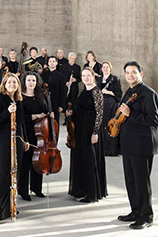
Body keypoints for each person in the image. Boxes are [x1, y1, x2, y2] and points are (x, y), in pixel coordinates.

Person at [117, 61, 158, 229]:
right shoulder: (129, 91)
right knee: (131, 180)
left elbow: (153, 120)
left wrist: (130, 114)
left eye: (134, 72)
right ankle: (135, 211)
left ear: (141, 73)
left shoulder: (149, 94)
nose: (130, 75)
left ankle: (146, 216)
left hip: (142, 144)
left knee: (142, 182)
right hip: (128, 143)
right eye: (127, 72)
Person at [0, 73, 29, 224]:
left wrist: (25, 139)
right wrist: (8, 111)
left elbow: (22, 123)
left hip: (18, 139)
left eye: (15, 82)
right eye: (10, 82)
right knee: (3, 175)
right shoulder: (0, 99)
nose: (12, 85)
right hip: (5, 140)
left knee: (15, 174)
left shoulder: (19, 100)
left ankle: (10, 207)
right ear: (5, 84)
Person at [66, 67, 107, 203]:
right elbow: (81, 108)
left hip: (90, 130)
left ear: (93, 76)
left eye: (88, 75)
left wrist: (95, 132)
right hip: (80, 129)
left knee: (89, 159)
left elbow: (100, 114)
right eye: (83, 76)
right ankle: (81, 189)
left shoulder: (96, 91)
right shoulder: (84, 90)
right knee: (80, 157)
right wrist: (72, 113)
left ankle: (91, 193)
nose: (85, 78)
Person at [19, 72, 48, 201]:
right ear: (24, 82)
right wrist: (36, 116)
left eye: (34, 81)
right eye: (29, 80)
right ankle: (23, 190)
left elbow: (45, 111)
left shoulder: (40, 96)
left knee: (38, 161)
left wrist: (48, 115)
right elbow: (20, 118)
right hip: (26, 132)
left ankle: (37, 188)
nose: (31, 83)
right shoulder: (20, 97)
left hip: (40, 133)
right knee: (25, 161)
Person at [97, 61, 122, 156]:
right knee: (101, 126)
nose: (105, 68)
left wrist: (107, 91)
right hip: (101, 105)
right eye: (104, 67)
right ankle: (102, 149)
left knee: (110, 126)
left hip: (111, 105)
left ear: (110, 68)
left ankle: (111, 150)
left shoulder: (114, 79)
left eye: (107, 67)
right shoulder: (98, 79)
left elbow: (118, 93)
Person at [41, 56, 67, 123]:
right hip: (44, 102)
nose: (51, 63)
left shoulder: (61, 77)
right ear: (48, 63)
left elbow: (63, 92)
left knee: (55, 123)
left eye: (53, 61)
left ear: (56, 63)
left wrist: (61, 105)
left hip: (56, 102)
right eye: (50, 61)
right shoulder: (43, 75)